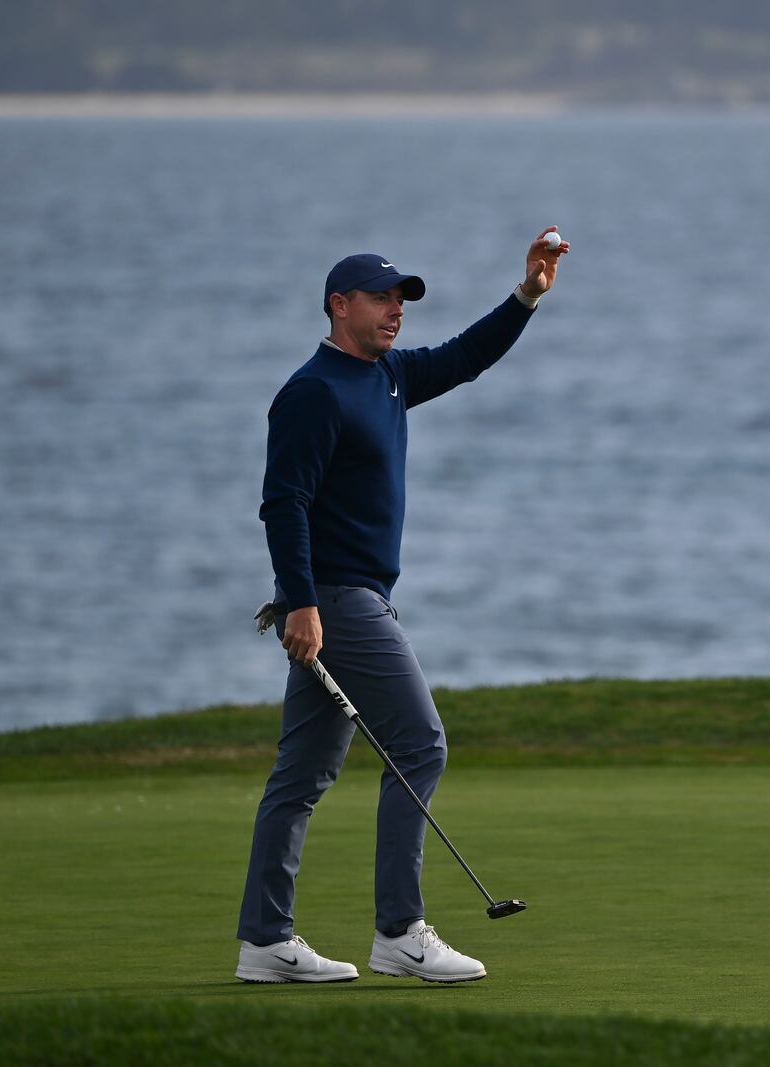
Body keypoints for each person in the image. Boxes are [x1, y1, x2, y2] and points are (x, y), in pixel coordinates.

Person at [235, 228, 568, 984]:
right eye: (382, 298)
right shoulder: (314, 391)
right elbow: (282, 503)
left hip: (353, 596)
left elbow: (464, 357)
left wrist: (527, 296)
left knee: (302, 774)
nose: (396, 311)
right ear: (339, 305)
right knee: (420, 744)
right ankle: (400, 931)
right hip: (340, 600)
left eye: (401, 300)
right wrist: (300, 602)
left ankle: (264, 941)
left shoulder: (388, 378)